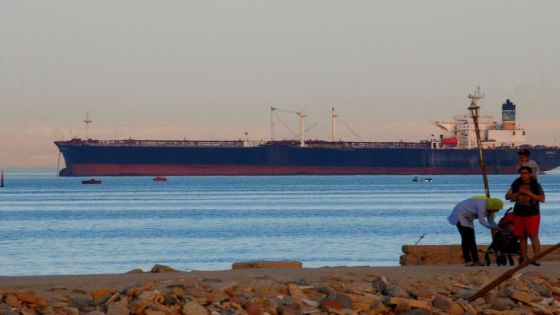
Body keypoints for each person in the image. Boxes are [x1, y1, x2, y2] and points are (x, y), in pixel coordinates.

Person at [505, 166, 545, 265]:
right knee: (522, 237)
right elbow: (507, 196)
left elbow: (542, 198)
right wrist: (518, 193)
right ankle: (524, 258)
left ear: (530, 174)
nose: (523, 175)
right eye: (521, 173)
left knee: (533, 236)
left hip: (532, 214)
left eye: (525, 173)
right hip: (518, 213)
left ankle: (536, 257)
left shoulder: (535, 185)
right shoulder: (516, 183)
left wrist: (528, 193)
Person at [448, 197, 504, 266]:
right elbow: (482, 221)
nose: (498, 211)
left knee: (472, 239)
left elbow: (491, 221)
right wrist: (494, 227)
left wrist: (497, 227)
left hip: (468, 218)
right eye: (497, 209)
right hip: (460, 215)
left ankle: (475, 261)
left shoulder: (490, 210)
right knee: (466, 239)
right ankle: (468, 261)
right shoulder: (482, 205)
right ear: (494, 206)